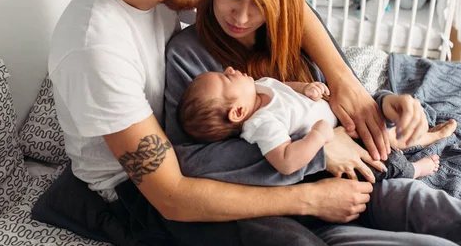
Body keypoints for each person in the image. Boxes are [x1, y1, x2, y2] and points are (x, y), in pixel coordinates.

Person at [48, 0, 399, 246]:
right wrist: (310, 197)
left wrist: (344, 81)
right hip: (140, 194)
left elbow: (284, 2)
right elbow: (171, 196)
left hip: (195, 155)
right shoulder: (97, 52)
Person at [164, 0, 461, 246]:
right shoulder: (187, 55)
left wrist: (386, 104)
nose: (242, 16)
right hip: (288, 208)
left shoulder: (298, 34)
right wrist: (321, 150)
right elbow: (193, 162)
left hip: (361, 179)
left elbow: (341, 98)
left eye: (261, 2)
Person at [178, 68, 440, 180]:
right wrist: (318, 136)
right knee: (381, 163)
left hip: (338, 117)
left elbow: (285, 88)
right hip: (336, 139)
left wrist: (306, 88)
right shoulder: (262, 124)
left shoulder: (260, 86)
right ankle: (413, 170)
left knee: (378, 122)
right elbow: (286, 161)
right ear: (237, 112)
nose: (231, 70)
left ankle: (415, 136)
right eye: (226, 79)